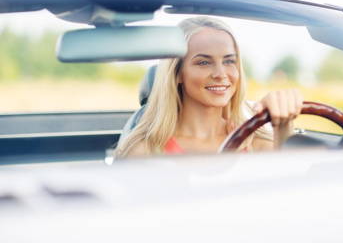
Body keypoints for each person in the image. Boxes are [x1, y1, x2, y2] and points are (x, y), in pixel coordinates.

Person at [115, 16, 303, 157]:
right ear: (178, 73)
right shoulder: (145, 150)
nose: (221, 74)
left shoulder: (255, 143)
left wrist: (283, 126)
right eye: (204, 63)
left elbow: (293, 195)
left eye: (229, 61)